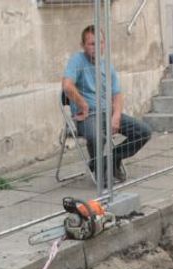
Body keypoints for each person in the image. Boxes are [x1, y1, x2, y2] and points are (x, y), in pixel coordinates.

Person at [63, 24, 152, 183]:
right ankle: (100, 168)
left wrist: (116, 116)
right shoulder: (77, 61)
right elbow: (67, 86)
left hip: (108, 113)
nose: (96, 47)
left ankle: (110, 161)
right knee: (98, 136)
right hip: (88, 116)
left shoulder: (107, 66)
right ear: (83, 45)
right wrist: (82, 104)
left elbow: (117, 94)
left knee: (143, 132)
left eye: (100, 43)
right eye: (91, 44)